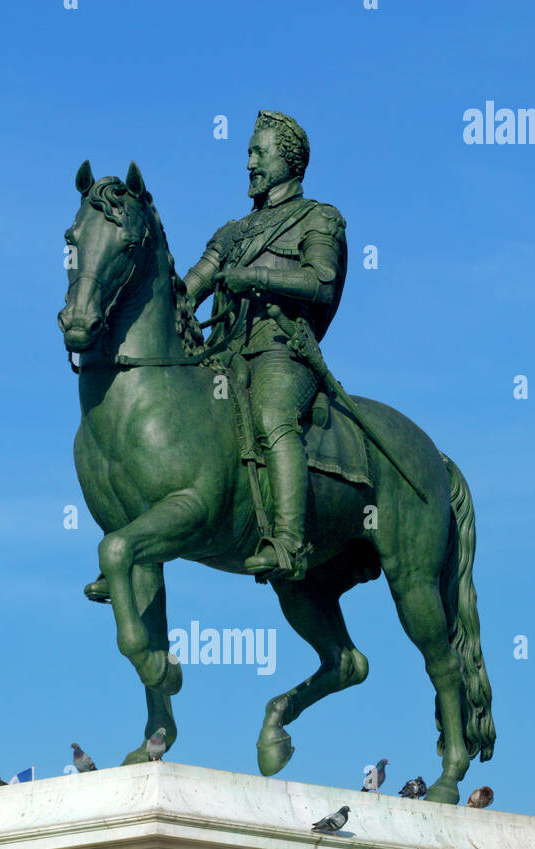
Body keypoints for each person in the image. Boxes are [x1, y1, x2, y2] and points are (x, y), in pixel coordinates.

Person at [184, 111, 347, 580]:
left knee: (273, 415)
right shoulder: (232, 231)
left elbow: (322, 281)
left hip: (280, 348)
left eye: (259, 152)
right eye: (248, 153)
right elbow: (193, 284)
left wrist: (253, 276)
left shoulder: (318, 217)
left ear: (290, 159)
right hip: (223, 353)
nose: (249, 162)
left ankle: (289, 543)